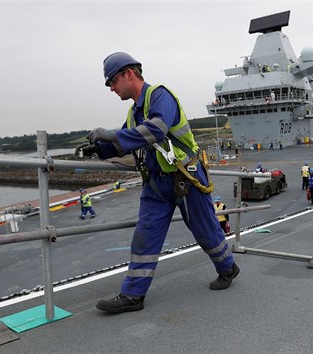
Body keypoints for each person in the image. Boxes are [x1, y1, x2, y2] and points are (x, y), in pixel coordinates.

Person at [81, 52, 238, 314]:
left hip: (185, 177)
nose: (111, 88)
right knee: (145, 235)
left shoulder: (160, 96)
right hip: (156, 183)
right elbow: (124, 142)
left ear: (128, 74)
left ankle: (228, 267)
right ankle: (133, 295)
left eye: (112, 81)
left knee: (206, 231)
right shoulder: (133, 113)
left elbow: (155, 130)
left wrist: (109, 134)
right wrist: (98, 148)